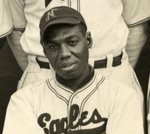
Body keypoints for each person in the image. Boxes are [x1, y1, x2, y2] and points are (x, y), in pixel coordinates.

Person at [2, 6, 147, 134]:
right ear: (44, 50)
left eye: (72, 42)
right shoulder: (24, 99)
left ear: (88, 40)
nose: (64, 54)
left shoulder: (122, 95)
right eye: (53, 46)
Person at [7, 0, 146, 101]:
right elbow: (16, 32)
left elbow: (137, 27)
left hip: (112, 74)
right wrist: (39, 69)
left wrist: (117, 66)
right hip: (43, 76)